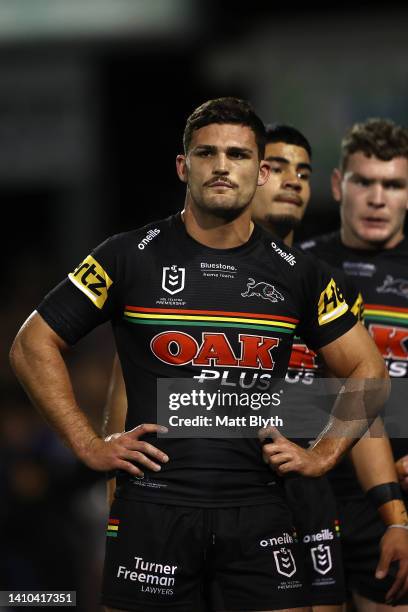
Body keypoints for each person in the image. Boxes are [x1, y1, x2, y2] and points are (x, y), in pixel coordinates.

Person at [10, 98, 388, 612]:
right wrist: (87, 443)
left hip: (262, 510)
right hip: (152, 511)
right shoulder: (128, 255)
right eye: (207, 153)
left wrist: (322, 452)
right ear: (183, 167)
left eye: (238, 154)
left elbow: (368, 369)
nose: (223, 166)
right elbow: (33, 343)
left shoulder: (299, 272)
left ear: (259, 171)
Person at [104, 123, 408, 611]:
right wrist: (115, 484)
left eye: (302, 172)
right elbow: (136, 388)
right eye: (279, 168)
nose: (292, 181)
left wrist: (391, 512)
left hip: (304, 494)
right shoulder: (167, 262)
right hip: (185, 498)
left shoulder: (313, 281)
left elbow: (365, 392)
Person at [299, 118, 408, 611]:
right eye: (365, 181)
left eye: (393, 184)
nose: (378, 198)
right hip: (305, 490)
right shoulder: (295, 266)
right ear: (340, 184)